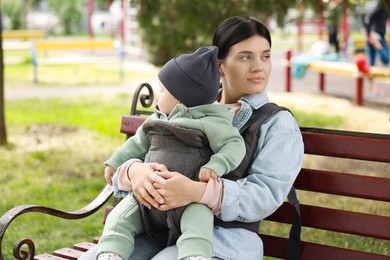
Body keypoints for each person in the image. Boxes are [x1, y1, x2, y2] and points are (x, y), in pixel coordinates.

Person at [80, 15, 304, 260]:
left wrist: (197, 192)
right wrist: (135, 172)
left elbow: (264, 195)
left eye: (266, 56)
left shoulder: (278, 124)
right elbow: (143, 147)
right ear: (220, 66)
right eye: (245, 56)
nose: (259, 66)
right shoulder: (185, 102)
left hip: (225, 241)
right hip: (159, 229)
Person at [96, 46, 246, 260]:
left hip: (189, 199)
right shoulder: (155, 120)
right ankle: (111, 253)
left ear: (182, 98)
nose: (159, 95)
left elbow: (234, 144)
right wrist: (115, 162)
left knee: (198, 223)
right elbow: (135, 145)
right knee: (119, 219)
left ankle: (194, 256)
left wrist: (216, 165)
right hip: (146, 198)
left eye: (163, 90)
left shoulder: (210, 121)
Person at [362, 0, 389, 96]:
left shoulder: (384, 5)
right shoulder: (378, 4)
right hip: (375, 36)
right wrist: (369, 34)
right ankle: (371, 89)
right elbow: (366, 17)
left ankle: (371, 88)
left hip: (377, 36)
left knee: (371, 64)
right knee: (385, 59)